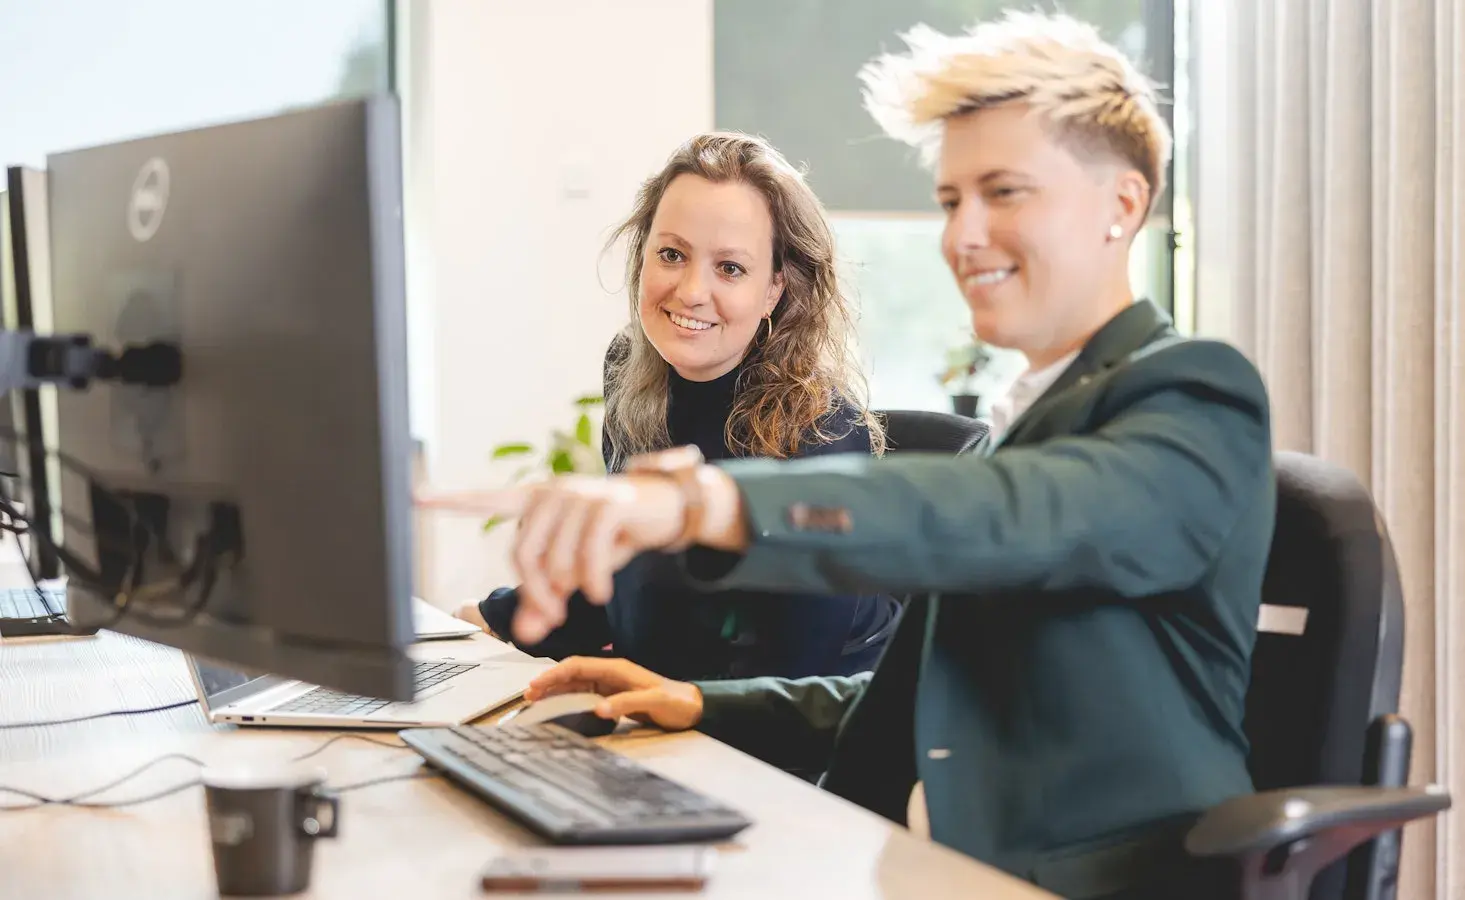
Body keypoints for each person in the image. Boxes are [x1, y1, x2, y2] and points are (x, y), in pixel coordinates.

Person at [423, 12, 1271, 899]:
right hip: (902, 855)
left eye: (1005, 193)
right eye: (951, 200)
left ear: (1123, 206)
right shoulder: (1026, 424)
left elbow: (1010, 514)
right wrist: (695, 701)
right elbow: (908, 705)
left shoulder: (1193, 396)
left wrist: (704, 504)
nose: (962, 236)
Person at [461, 132, 898, 684]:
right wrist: (497, 618)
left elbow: (789, 679)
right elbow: (627, 577)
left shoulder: (825, 432)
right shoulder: (628, 367)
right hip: (663, 695)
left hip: (785, 723)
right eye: (672, 254)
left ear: (774, 289)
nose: (691, 291)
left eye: (730, 268)